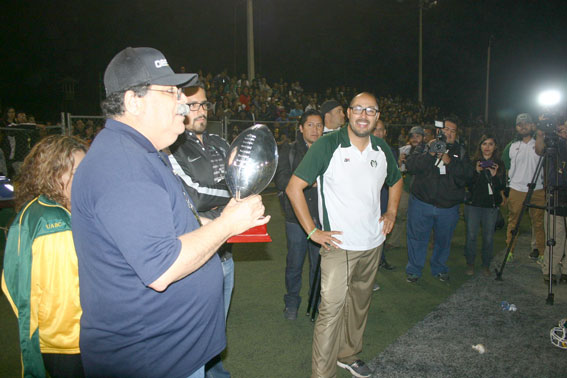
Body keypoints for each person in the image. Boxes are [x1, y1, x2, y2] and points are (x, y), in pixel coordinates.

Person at [71, 47, 268, 378]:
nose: (183, 103)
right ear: (134, 101)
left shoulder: (141, 153)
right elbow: (162, 268)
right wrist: (226, 225)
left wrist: (219, 220)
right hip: (151, 359)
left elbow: (171, 225)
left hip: (169, 352)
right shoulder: (122, 165)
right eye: (171, 93)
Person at [286, 92, 402, 378]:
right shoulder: (328, 144)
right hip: (339, 246)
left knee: (360, 305)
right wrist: (312, 231)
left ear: (377, 117)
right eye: (358, 109)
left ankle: (348, 354)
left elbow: (397, 181)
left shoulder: (381, 148)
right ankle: (322, 374)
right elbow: (293, 188)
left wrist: (391, 213)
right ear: (349, 113)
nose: (364, 115)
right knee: (330, 311)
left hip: (373, 243)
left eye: (370, 111)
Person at [2, 135, 88, 378]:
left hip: (52, 339)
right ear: (53, 173)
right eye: (77, 171)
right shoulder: (56, 224)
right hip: (72, 342)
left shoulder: (37, 210)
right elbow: (72, 295)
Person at [168, 84, 233, 378]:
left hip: (226, 252)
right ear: (180, 108)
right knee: (194, 333)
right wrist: (234, 198)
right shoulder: (172, 145)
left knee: (218, 324)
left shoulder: (219, 141)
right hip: (196, 257)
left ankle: (215, 372)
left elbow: (241, 177)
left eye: (204, 105)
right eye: (193, 105)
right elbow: (195, 195)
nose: (201, 111)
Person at [405, 116, 472, 282]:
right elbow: (411, 166)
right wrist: (430, 154)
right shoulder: (425, 146)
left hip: (448, 207)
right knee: (417, 238)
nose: (448, 133)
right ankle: (414, 269)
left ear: (456, 134)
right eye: (446, 129)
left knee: (443, 241)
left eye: (452, 130)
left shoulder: (461, 151)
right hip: (422, 202)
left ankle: (439, 268)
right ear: (439, 131)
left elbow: (468, 176)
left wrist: (450, 163)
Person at [273, 109, 323, 320]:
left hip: (321, 218)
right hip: (296, 218)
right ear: (301, 128)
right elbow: (282, 180)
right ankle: (291, 302)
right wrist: (307, 182)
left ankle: (316, 304)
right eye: (310, 125)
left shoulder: (328, 150)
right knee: (294, 264)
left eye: (319, 125)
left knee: (318, 266)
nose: (315, 129)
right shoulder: (289, 150)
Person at [502, 113, 545, 262]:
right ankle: (509, 250)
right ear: (516, 127)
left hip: (537, 188)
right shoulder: (511, 146)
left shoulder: (539, 142)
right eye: (520, 124)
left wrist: (540, 134)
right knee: (513, 222)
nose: (523, 126)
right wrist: (507, 189)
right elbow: (507, 168)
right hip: (517, 188)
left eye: (526, 123)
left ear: (532, 125)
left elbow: (541, 153)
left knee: (538, 222)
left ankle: (541, 253)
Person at [464, 134, 506, 276]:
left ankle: (485, 265)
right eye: (484, 144)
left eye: (490, 144)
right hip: (473, 204)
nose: (487, 147)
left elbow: (502, 187)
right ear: (480, 146)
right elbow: (467, 184)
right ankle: (470, 263)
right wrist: (476, 172)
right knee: (471, 236)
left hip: (490, 206)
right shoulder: (473, 162)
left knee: (488, 237)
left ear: (495, 147)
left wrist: (494, 176)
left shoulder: (499, 164)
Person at [535, 120, 567, 283]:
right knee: (555, 236)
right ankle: (550, 270)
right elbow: (540, 150)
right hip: (556, 195)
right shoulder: (556, 143)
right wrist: (541, 133)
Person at [388, 126, 424, 250]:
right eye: (412, 136)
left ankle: (420, 242)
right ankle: (394, 241)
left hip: (422, 190)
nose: (415, 139)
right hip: (406, 187)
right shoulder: (405, 150)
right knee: (399, 215)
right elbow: (399, 170)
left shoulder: (427, 151)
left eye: (418, 136)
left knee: (420, 219)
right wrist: (400, 162)